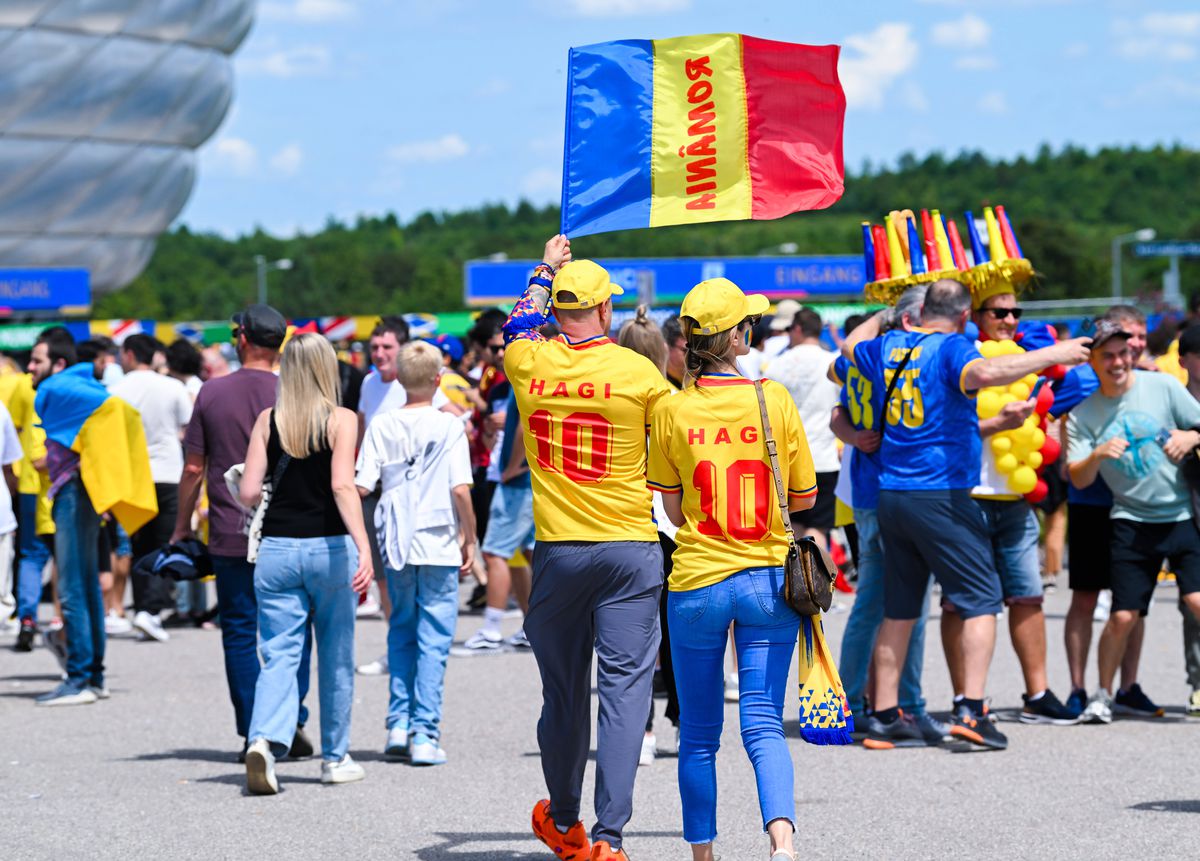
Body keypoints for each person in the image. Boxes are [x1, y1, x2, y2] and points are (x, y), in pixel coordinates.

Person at [842, 278, 1090, 750]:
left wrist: (886, 315)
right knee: (981, 599)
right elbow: (987, 374)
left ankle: (884, 714)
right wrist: (1054, 354)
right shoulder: (952, 347)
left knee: (899, 607)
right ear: (963, 316)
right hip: (940, 494)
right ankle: (972, 710)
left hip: (891, 492)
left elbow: (853, 344)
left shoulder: (890, 344)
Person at [505, 236, 670, 861]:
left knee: (565, 694)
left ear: (557, 311)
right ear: (604, 312)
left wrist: (546, 265)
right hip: (630, 545)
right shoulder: (639, 373)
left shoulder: (531, 363)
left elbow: (518, 322)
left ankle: (567, 821)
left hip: (560, 550)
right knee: (625, 692)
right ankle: (610, 836)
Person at [648, 278, 816, 861]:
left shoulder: (671, 410)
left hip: (696, 579)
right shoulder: (774, 398)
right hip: (768, 577)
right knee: (764, 724)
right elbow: (804, 499)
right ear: (738, 335)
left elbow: (670, 507)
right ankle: (783, 844)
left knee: (697, 736)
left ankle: (704, 855)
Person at [174, 304, 314, 759]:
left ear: (243, 340)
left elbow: (194, 467)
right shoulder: (296, 391)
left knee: (238, 629)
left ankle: (257, 730)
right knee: (293, 630)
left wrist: (181, 527)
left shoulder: (213, 393)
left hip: (232, 531)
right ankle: (289, 719)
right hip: (292, 530)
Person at [239, 333, 373, 794]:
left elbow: (248, 493)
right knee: (336, 655)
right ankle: (335, 758)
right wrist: (364, 547)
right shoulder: (342, 419)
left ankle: (262, 739)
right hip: (329, 548)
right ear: (325, 369)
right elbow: (342, 486)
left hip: (276, 549)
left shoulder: (266, 420)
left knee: (278, 654)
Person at [952, 286, 1078, 724]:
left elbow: (1072, 385)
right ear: (975, 315)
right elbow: (945, 428)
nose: (1008, 319)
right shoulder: (961, 356)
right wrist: (994, 425)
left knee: (1028, 598)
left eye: (1014, 312)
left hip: (1016, 497)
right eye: (999, 311)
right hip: (967, 498)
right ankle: (966, 698)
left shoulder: (1026, 360)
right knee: (962, 604)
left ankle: (1038, 693)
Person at [1067, 320, 1200, 724]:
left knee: (1197, 602)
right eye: (1107, 355)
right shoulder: (1084, 414)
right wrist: (1098, 454)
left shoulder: (1161, 387)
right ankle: (1102, 696)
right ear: (1092, 361)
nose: (1118, 362)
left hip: (1182, 517)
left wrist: (1192, 438)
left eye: (1124, 353)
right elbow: (1078, 475)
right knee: (1123, 615)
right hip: (1131, 521)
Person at [355, 341, 476, 765]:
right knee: (435, 637)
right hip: (438, 536)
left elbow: (362, 485)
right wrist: (471, 537)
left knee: (401, 627)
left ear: (401, 379)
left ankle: (397, 724)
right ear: (438, 380)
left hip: (395, 536)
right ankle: (425, 732)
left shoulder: (382, 423)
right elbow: (461, 489)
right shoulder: (449, 426)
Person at [830, 285, 942, 743]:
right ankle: (899, 703)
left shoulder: (861, 359)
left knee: (874, 604)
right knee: (905, 603)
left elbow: (836, 399)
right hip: (898, 492)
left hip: (867, 491)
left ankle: (853, 701)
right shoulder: (896, 359)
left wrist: (851, 434)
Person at [1054, 306, 1162, 717]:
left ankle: (1128, 686)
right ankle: (1079, 688)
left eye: (1137, 337)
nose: (1132, 345)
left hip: (1138, 505)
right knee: (1085, 597)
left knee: (1134, 603)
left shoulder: (1151, 381)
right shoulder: (1080, 378)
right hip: (1091, 503)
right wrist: (1072, 455)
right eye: (1124, 336)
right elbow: (1050, 416)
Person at [617, 307, 678, 766]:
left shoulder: (608, 399)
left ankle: (644, 729)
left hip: (626, 525)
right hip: (673, 526)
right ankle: (686, 718)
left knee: (634, 640)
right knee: (679, 634)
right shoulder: (673, 400)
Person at [111, 334, 193, 643]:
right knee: (165, 543)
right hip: (169, 472)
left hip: (134, 476)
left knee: (139, 544)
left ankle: (145, 607)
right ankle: (151, 611)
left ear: (130, 355)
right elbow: (186, 428)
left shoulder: (116, 390)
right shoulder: (174, 387)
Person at [764, 307, 841, 552]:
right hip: (825, 456)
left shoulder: (777, 365)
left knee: (792, 527)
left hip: (787, 459)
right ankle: (817, 586)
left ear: (797, 329)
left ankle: (793, 583)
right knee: (818, 529)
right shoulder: (832, 363)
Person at [1171, 323, 1200, 717]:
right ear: (1183, 361)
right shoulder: (1171, 400)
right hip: (1186, 514)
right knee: (1192, 604)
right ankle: (1198, 683)